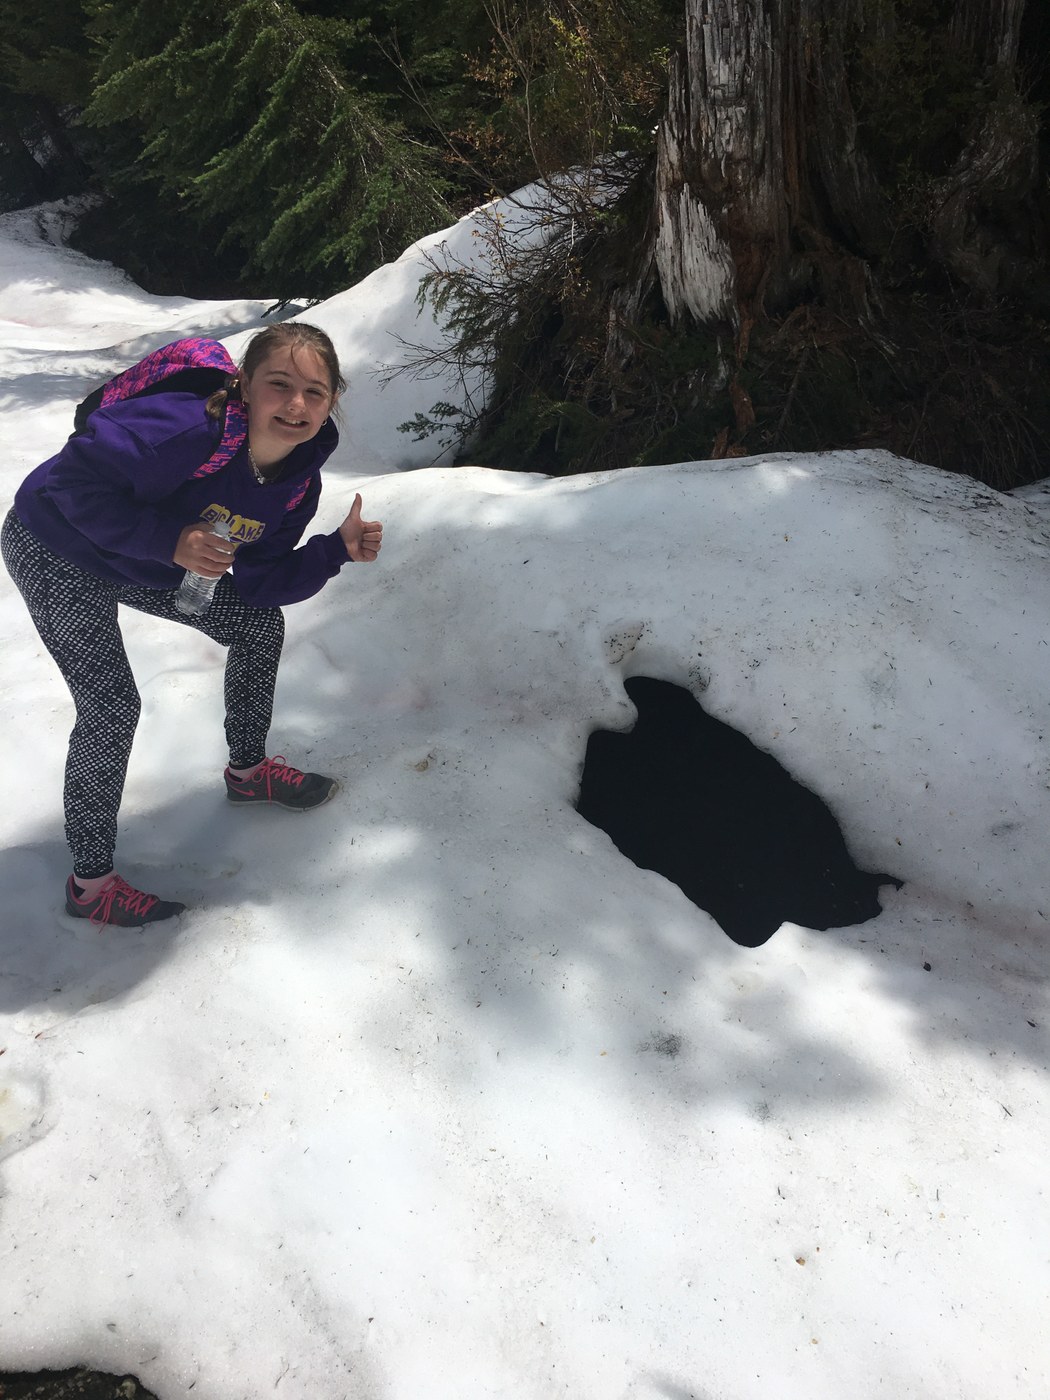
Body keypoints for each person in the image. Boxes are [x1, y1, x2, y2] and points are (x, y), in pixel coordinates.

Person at [1, 321, 383, 930]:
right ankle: (90, 885)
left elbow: (260, 583)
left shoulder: (295, 485)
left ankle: (248, 774)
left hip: (146, 562)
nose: (296, 404)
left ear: (332, 399)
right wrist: (169, 540)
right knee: (111, 706)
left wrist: (335, 550)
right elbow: (73, 482)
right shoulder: (181, 430)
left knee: (258, 626)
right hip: (56, 545)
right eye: (279, 384)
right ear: (245, 385)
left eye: (314, 392)